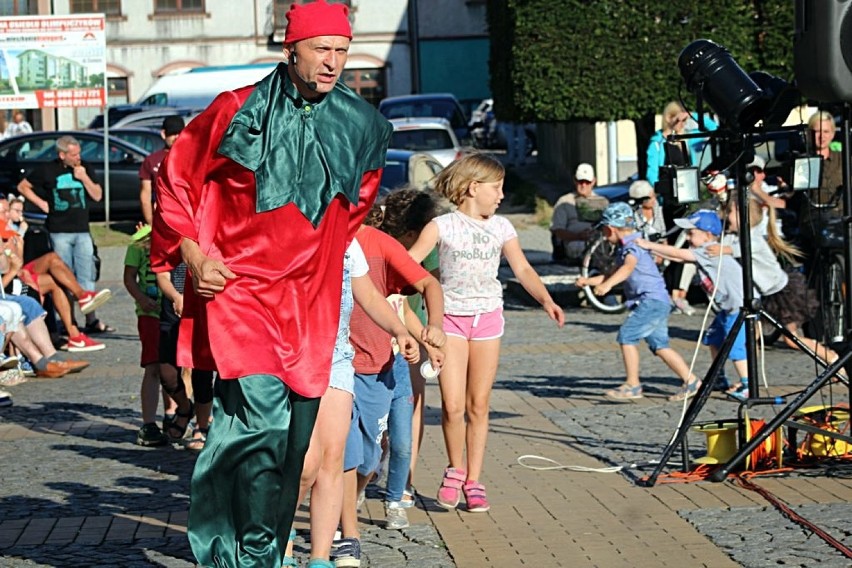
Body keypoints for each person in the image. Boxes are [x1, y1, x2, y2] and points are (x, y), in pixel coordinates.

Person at [149, 1, 394, 565]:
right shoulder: (236, 109)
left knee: (291, 441)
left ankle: (243, 542)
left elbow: (354, 208)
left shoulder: (364, 125)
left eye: (341, 51)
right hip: (242, 293)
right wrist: (193, 251)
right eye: (321, 50)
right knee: (261, 423)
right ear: (291, 50)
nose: (333, 62)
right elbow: (176, 178)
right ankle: (250, 555)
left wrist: (318, 262)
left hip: (311, 301)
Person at [409, 152, 564, 514]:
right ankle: (454, 468)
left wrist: (546, 300)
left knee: (478, 405)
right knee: (452, 405)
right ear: (472, 187)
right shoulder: (442, 226)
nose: (501, 195)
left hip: (487, 319)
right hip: (451, 321)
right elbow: (409, 261)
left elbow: (522, 269)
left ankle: (474, 480)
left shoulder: (502, 227)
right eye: (496, 188)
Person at [281, 238, 423, 567]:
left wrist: (399, 330)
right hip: (293, 358)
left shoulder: (349, 244)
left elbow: (370, 294)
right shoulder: (293, 230)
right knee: (305, 465)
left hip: (337, 361)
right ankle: (282, 540)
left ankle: (319, 558)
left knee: (334, 460)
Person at [336, 218, 444, 564]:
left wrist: (432, 328)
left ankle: (350, 503)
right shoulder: (314, 232)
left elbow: (427, 283)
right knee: (337, 455)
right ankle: (340, 533)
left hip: (377, 366)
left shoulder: (377, 243)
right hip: (334, 365)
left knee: (367, 458)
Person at [708, 195, 841, 395]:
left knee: (791, 339)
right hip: (762, 296)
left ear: (742, 215)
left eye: (729, 214)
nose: (726, 219)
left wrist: (713, 248)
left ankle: (832, 359)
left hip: (781, 295)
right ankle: (749, 381)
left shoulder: (750, 239)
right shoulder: (736, 236)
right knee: (750, 339)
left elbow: (729, 250)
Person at [576, 203, 700, 401]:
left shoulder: (633, 246)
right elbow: (613, 273)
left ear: (611, 229)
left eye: (604, 231)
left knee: (627, 336)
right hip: (658, 300)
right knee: (660, 345)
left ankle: (633, 385)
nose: (604, 236)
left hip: (650, 301)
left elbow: (626, 269)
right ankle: (692, 380)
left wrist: (607, 287)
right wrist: (589, 282)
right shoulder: (627, 246)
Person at [638, 210, 750, 399]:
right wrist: (650, 249)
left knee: (736, 347)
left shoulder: (709, 250)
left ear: (707, 235)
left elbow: (677, 253)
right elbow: (677, 257)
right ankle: (718, 377)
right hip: (726, 308)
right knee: (714, 339)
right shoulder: (703, 250)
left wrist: (646, 244)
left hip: (737, 308)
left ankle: (747, 384)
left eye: (691, 233)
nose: (687, 237)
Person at [16, 135, 113, 334]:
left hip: (82, 229)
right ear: (62, 155)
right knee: (65, 276)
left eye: (79, 153)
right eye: (73, 155)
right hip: (59, 230)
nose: (78, 157)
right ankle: (71, 322)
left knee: (86, 274)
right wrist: (41, 203)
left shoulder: (84, 167)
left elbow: (97, 195)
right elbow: (22, 186)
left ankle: (91, 320)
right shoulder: (47, 170)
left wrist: (84, 177)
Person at [123, 225, 168, 446]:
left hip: (172, 310)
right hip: (149, 314)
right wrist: (141, 299)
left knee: (173, 367)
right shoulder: (139, 242)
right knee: (153, 367)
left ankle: (172, 415)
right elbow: (129, 278)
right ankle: (149, 423)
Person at [550, 163, 609, 265]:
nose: (583, 185)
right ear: (575, 180)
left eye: (587, 182)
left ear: (593, 181)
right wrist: (578, 236)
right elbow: (557, 230)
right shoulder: (564, 202)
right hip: (574, 242)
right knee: (580, 247)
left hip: (598, 240)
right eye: (580, 181)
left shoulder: (602, 202)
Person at [139, 116, 185, 226]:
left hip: (189, 220)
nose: (177, 137)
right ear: (163, 134)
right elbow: (145, 195)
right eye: (172, 133)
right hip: (164, 221)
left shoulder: (192, 157)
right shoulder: (151, 161)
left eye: (180, 133)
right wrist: (151, 223)